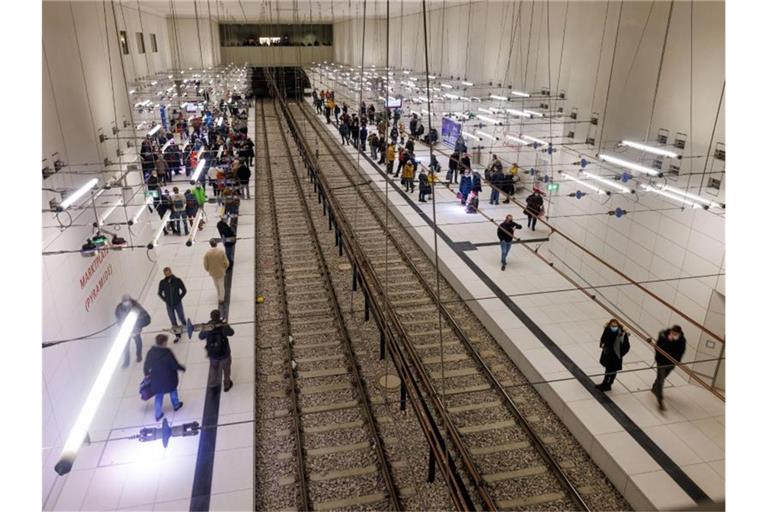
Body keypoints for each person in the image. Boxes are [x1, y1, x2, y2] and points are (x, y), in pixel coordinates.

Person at [143, 334, 185, 421]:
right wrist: (182, 368)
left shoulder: (151, 352)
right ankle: (176, 405)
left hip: (156, 379)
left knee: (158, 396)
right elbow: (174, 365)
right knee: (173, 391)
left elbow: (146, 366)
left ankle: (158, 414)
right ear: (164, 342)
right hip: (169, 378)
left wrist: (146, 374)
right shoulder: (167, 352)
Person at [199, 309, 235, 391]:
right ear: (219, 317)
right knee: (226, 369)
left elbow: (201, 337)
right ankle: (227, 385)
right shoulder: (223, 326)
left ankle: (212, 383)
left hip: (213, 354)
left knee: (214, 368)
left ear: (211, 317)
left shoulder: (207, 327)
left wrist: (203, 328)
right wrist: (226, 325)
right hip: (224, 353)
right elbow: (231, 333)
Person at [652, 325, 686, 410]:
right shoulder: (663, 335)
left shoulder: (681, 341)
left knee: (662, 377)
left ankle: (654, 387)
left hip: (671, 364)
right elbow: (658, 348)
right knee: (661, 380)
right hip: (661, 362)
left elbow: (680, 352)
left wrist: (676, 361)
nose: (674, 335)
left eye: (676, 334)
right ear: (670, 331)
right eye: (673, 333)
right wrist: (668, 341)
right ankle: (660, 400)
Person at [115, 295, 151, 368]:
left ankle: (139, 355)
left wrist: (137, 329)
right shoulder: (119, 308)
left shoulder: (136, 307)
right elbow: (118, 318)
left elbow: (141, 318)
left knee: (138, 341)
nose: (126, 303)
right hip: (125, 329)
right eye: (124, 301)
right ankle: (126, 361)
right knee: (125, 346)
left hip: (135, 329)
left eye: (127, 301)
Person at [596, 319, 631, 391]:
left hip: (616, 355)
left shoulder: (622, 333)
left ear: (618, 325)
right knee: (608, 369)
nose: (613, 326)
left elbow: (627, 346)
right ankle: (604, 383)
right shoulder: (607, 329)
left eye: (615, 324)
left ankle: (609, 385)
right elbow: (603, 338)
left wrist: (621, 354)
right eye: (612, 324)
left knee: (613, 370)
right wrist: (602, 344)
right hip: (608, 354)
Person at [157, 267, 188, 342]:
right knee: (172, 319)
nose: (167, 275)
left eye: (168, 273)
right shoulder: (162, 282)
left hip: (177, 303)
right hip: (169, 305)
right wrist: (165, 300)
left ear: (171, 272)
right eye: (166, 274)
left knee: (181, 316)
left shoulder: (177, 280)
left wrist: (179, 298)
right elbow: (159, 293)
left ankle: (185, 325)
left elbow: (184, 290)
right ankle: (177, 334)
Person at [204, 238, 230, 304]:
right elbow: (226, 262)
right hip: (221, 271)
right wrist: (225, 268)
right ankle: (221, 299)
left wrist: (208, 270)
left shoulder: (207, 254)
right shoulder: (221, 252)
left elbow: (205, 264)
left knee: (216, 284)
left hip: (212, 272)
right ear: (216, 244)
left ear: (210, 244)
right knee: (221, 285)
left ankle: (219, 295)